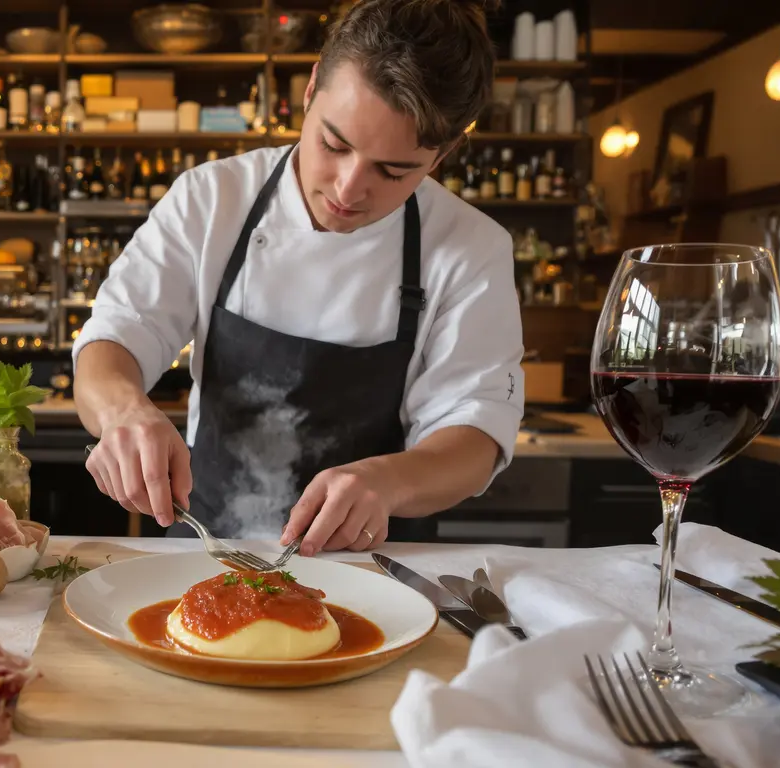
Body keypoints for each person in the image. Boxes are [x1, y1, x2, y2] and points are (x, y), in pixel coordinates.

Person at [73, 0, 523, 557]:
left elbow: (475, 436)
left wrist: (386, 481)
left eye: (393, 170)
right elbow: (114, 339)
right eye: (334, 144)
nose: (348, 189)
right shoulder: (211, 199)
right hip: (207, 553)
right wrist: (125, 412)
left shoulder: (471, 248)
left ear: (444, 152)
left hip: (372, 573)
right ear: (311, 90)